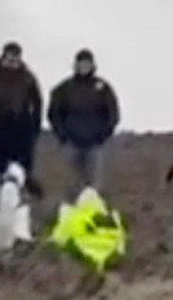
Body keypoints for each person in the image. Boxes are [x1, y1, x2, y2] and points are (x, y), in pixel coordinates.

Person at [47, 49, 120, 202]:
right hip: (71, 144)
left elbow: (113, 113)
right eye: (81, 63)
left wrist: (103, 135)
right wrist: (63, 136)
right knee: (73, 186)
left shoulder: (102, 88)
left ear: (93, 65)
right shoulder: (64, 89)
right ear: (76, 65)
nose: (84, 67)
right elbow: (54, 114)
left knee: (93, 188)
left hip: (95, 144)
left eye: (87, 63)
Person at [0, 41, 43, 176]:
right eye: (10, 56)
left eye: (16, 56)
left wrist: (34, 126)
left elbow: (37, 102)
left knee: (22, 168)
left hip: (22, 127)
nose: (12, 60)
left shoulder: (28, 78)